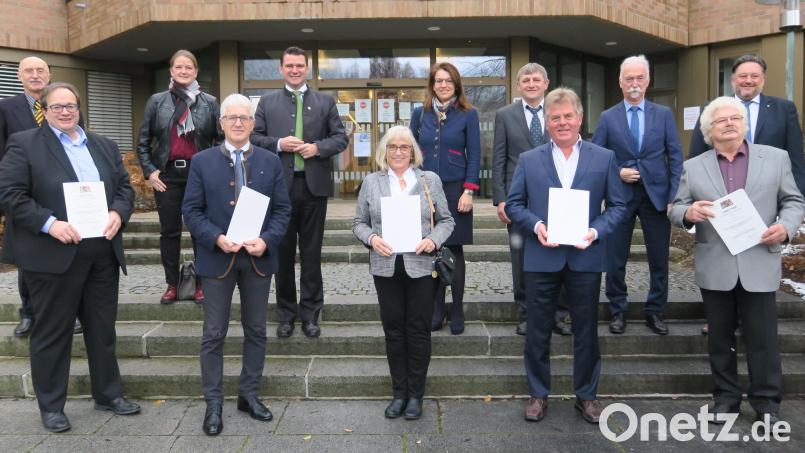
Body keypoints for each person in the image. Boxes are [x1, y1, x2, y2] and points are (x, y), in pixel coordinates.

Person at [0, 82, 140, 432]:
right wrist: (49, 224)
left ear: (80, 108)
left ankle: (108, 394)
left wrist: (118, 214)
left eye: (71, 106)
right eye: (57, 106)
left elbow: (125, 188)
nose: (65, 111)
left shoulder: (104, 145)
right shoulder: (25, 144)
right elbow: (10, 194)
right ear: (44, 111)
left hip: (101, 254)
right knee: (51, 334)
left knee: (102, 330)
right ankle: (51, 406)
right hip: (52, 255)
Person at [669, 96, 805, 428]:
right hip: (716, 264)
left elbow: (793, 200)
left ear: (744, 124)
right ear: (709, 130)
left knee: (763, 339)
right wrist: (687, 213)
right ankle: (726, 399)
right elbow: (675, 207)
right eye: (722, 120)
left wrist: (785, 228)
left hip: (759, 260)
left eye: (736, 118)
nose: (730, 123)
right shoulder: (694, 166)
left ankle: (767, 403)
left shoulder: (775, 158)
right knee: (719, 339)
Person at [505, 87, 627, 424]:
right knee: (537, 330)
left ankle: (586, 396)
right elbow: (514, 205)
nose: (561, 123)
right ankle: (538, 394)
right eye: (555, 117)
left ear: (580, 118)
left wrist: (596, 231)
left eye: (567, 116)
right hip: (542, 257)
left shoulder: (604, 158)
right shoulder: (530, 160)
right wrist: (537, 225)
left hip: (585, 257)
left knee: (586, 330)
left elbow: (618, 206)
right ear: (547, 121)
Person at [183, 93, 292, 436]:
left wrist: (268, 239)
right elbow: (191, 211)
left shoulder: (270, 161)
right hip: (218, 259)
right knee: (214, 334)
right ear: (222, 123)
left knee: (257, 331)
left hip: (258, 260)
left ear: (253, 122)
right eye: (232, 117)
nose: (239, 123)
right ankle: (213, 404)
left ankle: (249, 395)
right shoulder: (202, 161)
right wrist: (215, 237)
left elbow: (282, 210)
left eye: (244, 117)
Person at [352, 125, 454, 420]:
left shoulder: (428, 180)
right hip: (385, 267)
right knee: (394, 331)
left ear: (413, 152)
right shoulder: (371, 182)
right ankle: (399, 394)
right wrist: (372, 239)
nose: (398, 152)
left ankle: (416, 396)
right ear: (385, 151)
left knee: (418, 331)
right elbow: (359, 222)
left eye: (404, 147)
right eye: (393, 147)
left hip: (421, 266)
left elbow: (446, 221)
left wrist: (432, 239)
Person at [251, 46, 348, 339]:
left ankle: (310, 315)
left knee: (311, 255)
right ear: (281, 69)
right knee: (280, 255)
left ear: (308, 69)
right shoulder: (267, 104)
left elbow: (340, 138)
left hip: (313, 188)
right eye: (289, 66)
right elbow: (253, 138)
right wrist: (280, 144)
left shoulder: (325, 101)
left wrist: (318, 148)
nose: (295, 70)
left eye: (300, 66)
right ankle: (286, 315)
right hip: (279, 190)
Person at [592, 55, 683, 336]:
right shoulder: (608, 117)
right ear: (620, 82)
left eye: (639, 78)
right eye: (629, 78)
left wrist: (674, 195)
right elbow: (597, 158)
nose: (634, 83)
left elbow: (676, 156)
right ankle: (617, 311)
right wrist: (617, 172)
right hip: (620, 197)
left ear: (647, 81)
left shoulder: (664, 114)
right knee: (615, 258)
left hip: (656, 197)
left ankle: (655, 312)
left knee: (659, 258)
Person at [0, 56, 82, 337]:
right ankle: (29, 312)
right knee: (29, 258)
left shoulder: (67, 106)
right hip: (24, 195)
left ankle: (69, 312)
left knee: (67, 256)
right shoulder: (5, 108)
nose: (35, 75)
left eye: (40, 71)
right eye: (28, 71)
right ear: (20, 77)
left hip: (62, 194)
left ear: (49, 75)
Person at [136, 49, 221, 305]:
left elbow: (220, 140)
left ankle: (202, 284)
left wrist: (216, 172)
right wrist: (150, 171)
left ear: (196, 71)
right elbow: (143, 142)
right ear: (171, 70)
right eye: (179, 67)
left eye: (189, 67)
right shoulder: (157, 101)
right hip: (168, 175)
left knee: (201, 232)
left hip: (200, 175)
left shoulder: (210, 102)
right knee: (169, 233)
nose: (184, 71)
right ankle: (172, 284)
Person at [492, 62, 571, 337]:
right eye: (525, 80)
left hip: (557, 197)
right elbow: (499, 158)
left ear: (546, 83)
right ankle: (526, 314)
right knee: (521, 258)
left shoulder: (559, 114)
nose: (531, 84)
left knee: (560, 254)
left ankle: (558, 314)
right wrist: (500, 198)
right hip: (518, 199)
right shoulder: (504, 115)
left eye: (536, 79)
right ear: (519, 86)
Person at [410, 62, 481, 335]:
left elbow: (473, 154)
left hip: (455, 189)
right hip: (425, 190)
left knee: (455, 250)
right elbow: (410, 151)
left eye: (448, 81)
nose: (443, 85)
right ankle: (437, 308)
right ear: (432, 85)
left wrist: (469, 190)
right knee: (431, 249)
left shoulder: (468, 114)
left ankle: (458, 308)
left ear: (456, 85)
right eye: (438, 81)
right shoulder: (420, 113)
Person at [689, 54, 805, 195]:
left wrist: (798, 200)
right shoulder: (713, 108)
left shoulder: (784, 109)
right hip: (722, 192)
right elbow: (697, 154)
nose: (748, 81)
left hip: (771, 194)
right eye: (743, 76)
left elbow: (796, 159)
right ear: (733, 80)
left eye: (754, 76)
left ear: (763, 80)